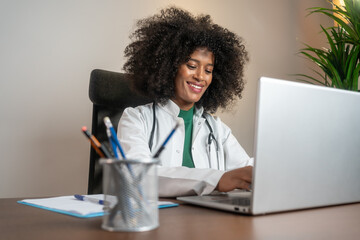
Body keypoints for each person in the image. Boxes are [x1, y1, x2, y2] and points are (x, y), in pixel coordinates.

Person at [118, 7, 253, 197]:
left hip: (209, 222)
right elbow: (141, 175)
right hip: (157, 221)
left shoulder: (217, 129)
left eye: (208, 70)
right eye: (191, 66)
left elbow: (246, 170)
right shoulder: (135, 119)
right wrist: (218, 179)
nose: (200, 76)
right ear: (170, 66)